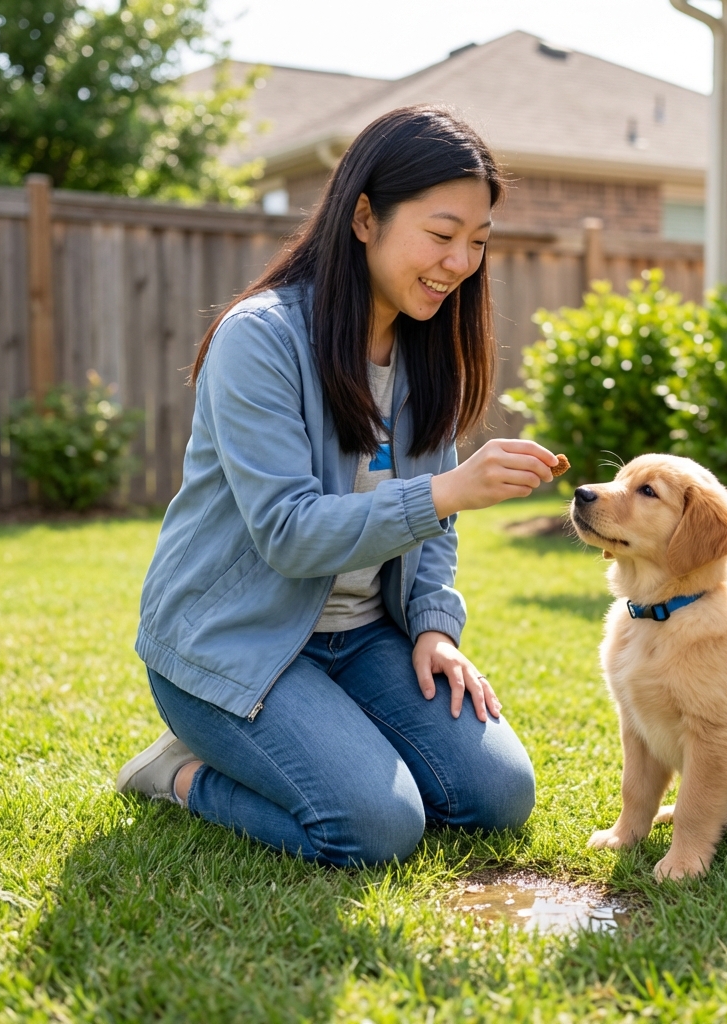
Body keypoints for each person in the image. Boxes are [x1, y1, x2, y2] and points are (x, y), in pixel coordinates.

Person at [116, 106, 559, 866]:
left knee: (497, 796)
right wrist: (448, 491)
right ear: (364, 218)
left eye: (478, 244)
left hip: (362, 638)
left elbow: (433, 534)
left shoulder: (428, 351)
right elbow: (289, 534)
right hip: (235, 643)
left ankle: (329, 730)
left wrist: (431, 627)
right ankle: (181, 772)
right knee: (376, 828)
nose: (460, 263)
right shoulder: (260, 339)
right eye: (442, 234)